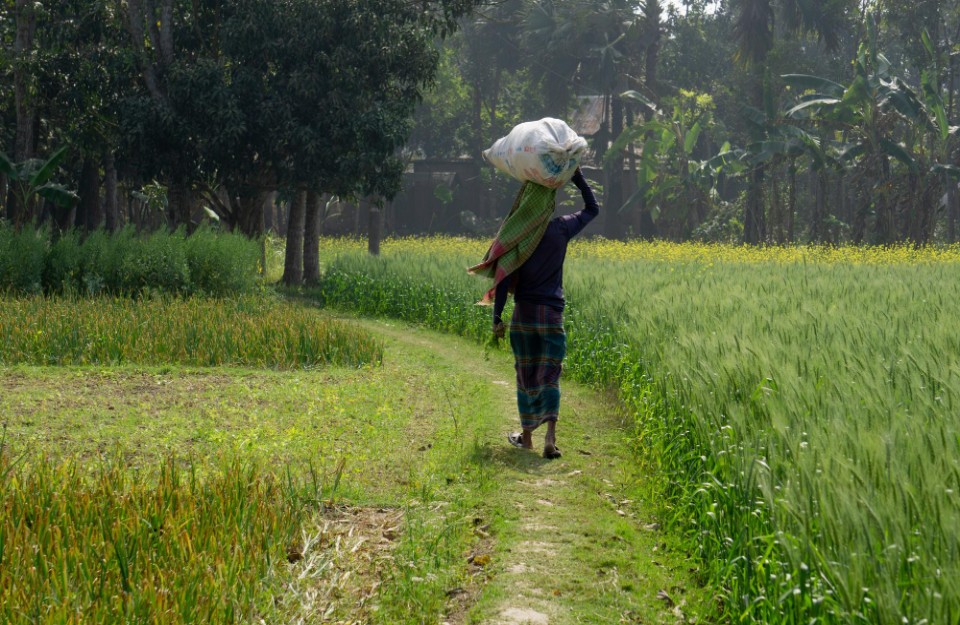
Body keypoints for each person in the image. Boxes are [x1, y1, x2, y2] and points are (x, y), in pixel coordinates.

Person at [492, 168, 600, 459]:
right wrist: (577, 178)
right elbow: (593, 208)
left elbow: (502, 277)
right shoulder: (561, 228)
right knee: (550, 375)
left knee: (526, 374)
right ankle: (550, 437)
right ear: (549, 202)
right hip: (551, 313)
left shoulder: (518, 233)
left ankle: (527, 437)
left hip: (524, 314)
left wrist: (497, 317)